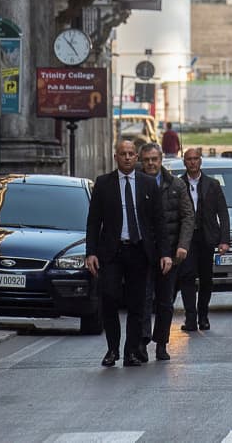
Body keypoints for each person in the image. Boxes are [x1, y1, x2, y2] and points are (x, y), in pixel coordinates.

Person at [85, 140, 171, 368]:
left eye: (131, 154)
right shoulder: (103, 184)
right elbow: (94, 222)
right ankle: (112, 349)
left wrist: (165, 253)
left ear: (137, 158)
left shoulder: (148, 184)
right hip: (112, 252)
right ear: (116, 157)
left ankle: (131, 350)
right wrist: (90, 252)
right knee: (110, 298)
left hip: (139, 251)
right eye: (123, 154)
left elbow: (159, 222)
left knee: (137, 304)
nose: (127, 157)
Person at [138, 142, 193, 361]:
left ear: (161, 160)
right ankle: (141, 342)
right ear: (142, 161)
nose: (151, 164)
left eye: (155, 159)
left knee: (165, 302)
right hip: (142, 253)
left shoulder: (176, 185)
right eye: (147, 160)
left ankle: (161, 343)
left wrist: (183, 245)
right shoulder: (135, 184)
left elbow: (188, 216)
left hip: (169, 254)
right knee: (142, 301)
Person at [178, 147, 230, 332]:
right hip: (187, 238)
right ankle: (190, 319)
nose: (192, 162)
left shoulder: (212, 184)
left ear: (200, 161)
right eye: (189, 159)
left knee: (206, 279)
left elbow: (223, 213)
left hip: (207, 237)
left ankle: (203, 316)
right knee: (187, 277)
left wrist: (225, 240)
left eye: (195, 158)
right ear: (184, 162)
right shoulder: (178, 184)